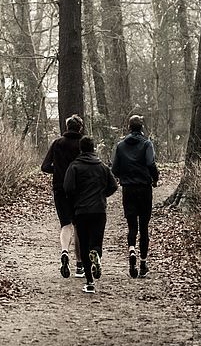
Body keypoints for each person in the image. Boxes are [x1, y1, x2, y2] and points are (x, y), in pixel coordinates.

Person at [63, 137, 118, 293]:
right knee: (96, 242)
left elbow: (67, 188)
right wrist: (102, 195)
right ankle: (97, 255)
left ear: (81, 149)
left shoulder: (74, 167)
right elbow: (113, 186)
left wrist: (76, 199)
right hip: (99, 210)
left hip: (81, 210)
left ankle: (89, 282)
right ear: (94, 148)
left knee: (85, 245)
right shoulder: (102, 167)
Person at [111, 115, 159, 278]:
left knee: (132, 225)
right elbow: (150, 163)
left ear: (129, 127)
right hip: (144, 188)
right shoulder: (147, 144)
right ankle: (143, 263)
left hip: (128, 189)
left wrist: (124, 175)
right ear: (142, 127)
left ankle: (132, 250)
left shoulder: (120, 146)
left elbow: (115, 169)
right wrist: (155, 178)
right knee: (144, 227)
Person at [41, 114, 85, 278]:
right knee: (79, 225)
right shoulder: (83, 144)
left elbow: (45, 166)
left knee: (66, 224)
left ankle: (64, 252)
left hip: (60, 189)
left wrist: (59, 171)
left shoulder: (57, 143)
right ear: (80, 128)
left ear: (67, 127)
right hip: (79, 189)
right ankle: (79, 265)